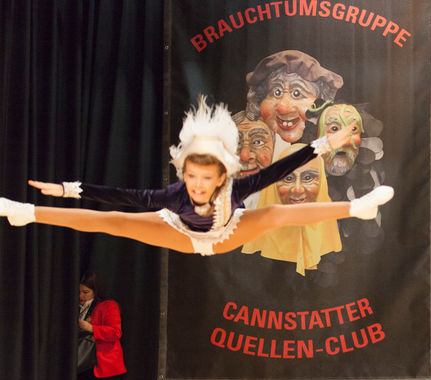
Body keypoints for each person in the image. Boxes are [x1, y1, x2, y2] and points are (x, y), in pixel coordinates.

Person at [0, 96, 394, 254]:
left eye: (206, 179)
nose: (198, 186)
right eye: (192, 178)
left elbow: (281, 168)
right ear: (184, 175)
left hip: (227, 235)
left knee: (277, 214)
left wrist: (324, 143)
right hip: (180, 235)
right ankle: (25, 212)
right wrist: (67, 189)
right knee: (113, 221)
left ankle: (356, 208)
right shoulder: (172, 197)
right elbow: (119, 195)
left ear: (221, 179)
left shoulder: (238, 188)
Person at [240, 144, 342, 274]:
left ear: (322, 183)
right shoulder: (256, 254)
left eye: (308, 178)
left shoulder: (332, 250)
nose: (297, 189)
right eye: (288, 178)